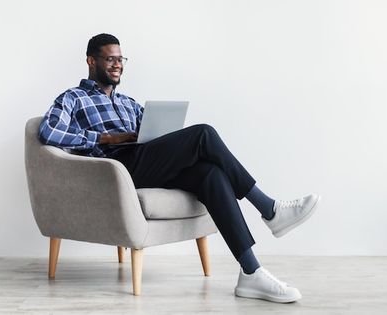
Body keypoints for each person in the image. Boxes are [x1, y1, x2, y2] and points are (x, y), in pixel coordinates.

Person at [38, 33, 320, 303]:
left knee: (211, 174)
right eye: (110, 59)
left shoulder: (128, 103)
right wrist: (106, 137)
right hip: (117, 168)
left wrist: (162, 136)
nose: (117, 64)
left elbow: (154, 135)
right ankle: (269, 209)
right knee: (203, 134)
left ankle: (251, 272)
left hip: (145, 160)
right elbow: (48, 131)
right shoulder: (74, 98)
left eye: (121, 59)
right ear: (91, 61)